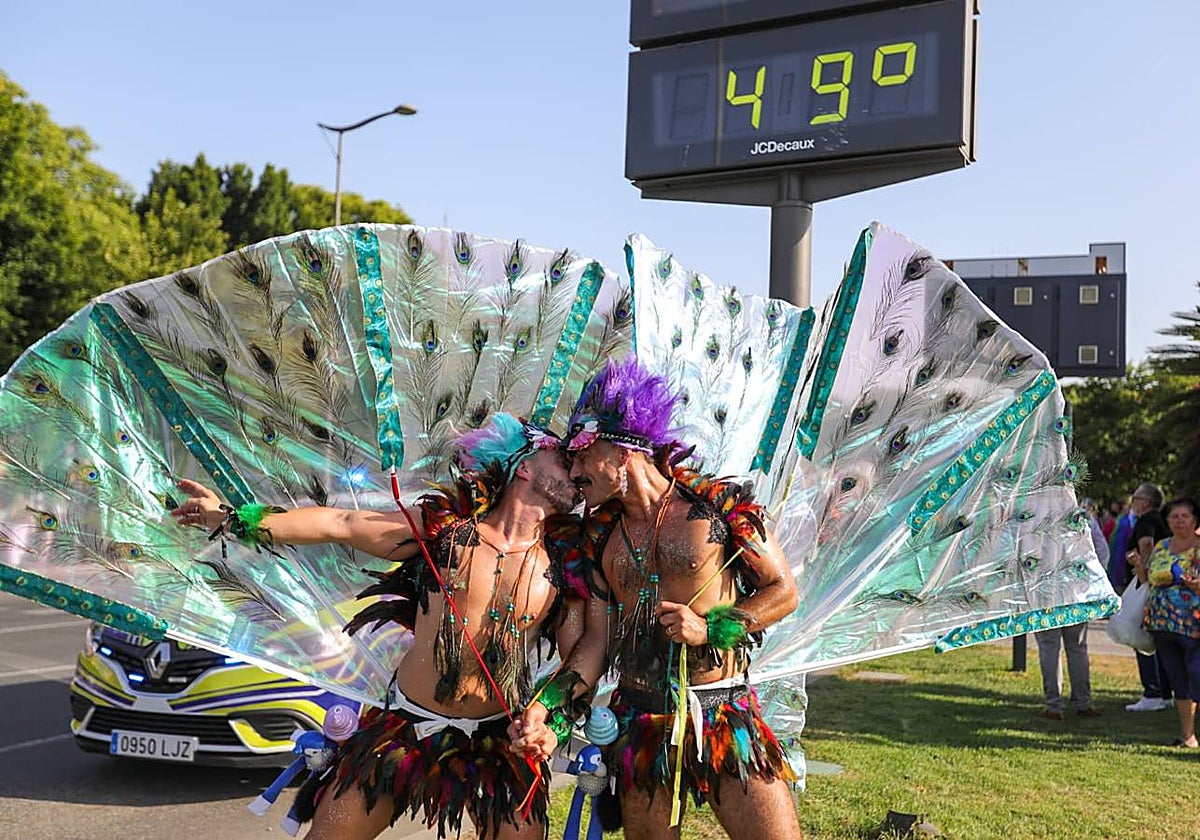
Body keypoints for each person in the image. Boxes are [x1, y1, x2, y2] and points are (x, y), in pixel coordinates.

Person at [172, 413, 589, 840]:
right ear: (524, 465)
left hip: (498, 737)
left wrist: (548, 724)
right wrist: (234, 518)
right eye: (562, 458)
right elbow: (343, 524)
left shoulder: (564, 564)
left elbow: (580, 660)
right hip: (407, 728)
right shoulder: (445, 534)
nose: (576, 470)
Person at [517, 357, 803, 840]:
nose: (577, 469)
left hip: (721, 713)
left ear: (624, 450)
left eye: (585, 454)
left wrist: (712, 627)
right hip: (641, 723)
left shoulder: (715, 508)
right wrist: (547, 705)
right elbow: (597, 643)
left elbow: (783, 591)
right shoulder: (599, 538)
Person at [1033, 500, 1108, 720]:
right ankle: (1083, 702)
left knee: (1049, 648)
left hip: (1046, 594)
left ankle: (1054, 705)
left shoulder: (1033, 516)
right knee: (1077, 648)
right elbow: (1102, 554)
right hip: (1076, 593)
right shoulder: (1083, 518)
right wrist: (1090, 582)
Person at [1137, 498, 1200, 747]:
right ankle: (1187, 735)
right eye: (1175, 516)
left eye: (1185, 516)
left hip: (1193, 624)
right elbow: (1148, 579)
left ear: (1194, 520)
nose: (1180, 521)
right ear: (1167, 521)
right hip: (1162, 622)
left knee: (1197, 674)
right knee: (1178, 679)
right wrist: (1138, 566)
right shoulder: (1162, 546)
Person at [1124, 483, 1175, 713]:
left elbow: (1146, 543)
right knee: (1160, 639)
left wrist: (1142, 569)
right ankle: (1165, 692)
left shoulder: (1146, 521)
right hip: (1163, 587)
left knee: (1142, 638)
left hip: (1147, 586)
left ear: (1146, 502)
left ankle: (1152, 691)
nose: (1132, 502)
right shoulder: (1164, 522)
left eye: (1135, 498)